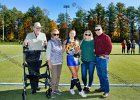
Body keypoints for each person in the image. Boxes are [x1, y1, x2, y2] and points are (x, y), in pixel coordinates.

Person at [23, 22, 47, 94]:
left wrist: (46, 44)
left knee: (37, 72)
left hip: (39, 57)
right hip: (30, 57)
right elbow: (25, 43)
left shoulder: (43, 35)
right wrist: (25, 42)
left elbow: (45, 43)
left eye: (39, 28)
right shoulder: (29, 35)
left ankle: (36, 86)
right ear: (33, 28)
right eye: (36, 27)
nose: (38, 29)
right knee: (32, 72)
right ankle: (34, 88)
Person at [64, 30, 87, 97]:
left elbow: (78, 50)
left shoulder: (77, 41)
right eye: (71, 33)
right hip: (70, 59)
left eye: (73, 33)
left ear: (75, 34)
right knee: (75, 75)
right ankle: (80, 91)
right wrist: (63, 44)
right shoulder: (66, 41)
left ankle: (71, 88)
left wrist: (79, 54)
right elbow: (66, 50)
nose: (72, 34)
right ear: (69, 34)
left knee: (74, 75)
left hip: (76, 59)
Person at [94, 25, 112, 98]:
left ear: (102, 29)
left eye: (98, 29)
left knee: (104, 75)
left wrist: (104, 55)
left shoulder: (106, 37)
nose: (97, 31)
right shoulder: (95, 38)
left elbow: (109, 47)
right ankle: (102, 87)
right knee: (99, 74)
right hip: (97, 58)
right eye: (96, 30)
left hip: (103, 59)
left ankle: (106, 91)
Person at [46, 29, 65, 98]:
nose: (56, 35)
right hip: (53, 63)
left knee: (58, 76)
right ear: (52, 35)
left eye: (57, 34)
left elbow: (62, 51)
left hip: (59, 62)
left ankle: (56, 89)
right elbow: (48, 53)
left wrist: (64, 44)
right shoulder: (50, 42)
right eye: (55, 34)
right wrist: (49, 62)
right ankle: (51, 91)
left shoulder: (59, 41)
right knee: (54, 78)